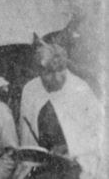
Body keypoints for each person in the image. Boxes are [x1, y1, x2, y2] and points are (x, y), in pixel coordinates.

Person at [18, 39, 104, 179]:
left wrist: (70, 147)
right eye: (49, 73)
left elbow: (98, 134)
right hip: (42, 165)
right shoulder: (30, 90)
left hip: (75, 163)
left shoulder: (80, 90)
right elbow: (26, 135)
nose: (57, 78)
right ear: (39, 71)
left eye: (61, 70)